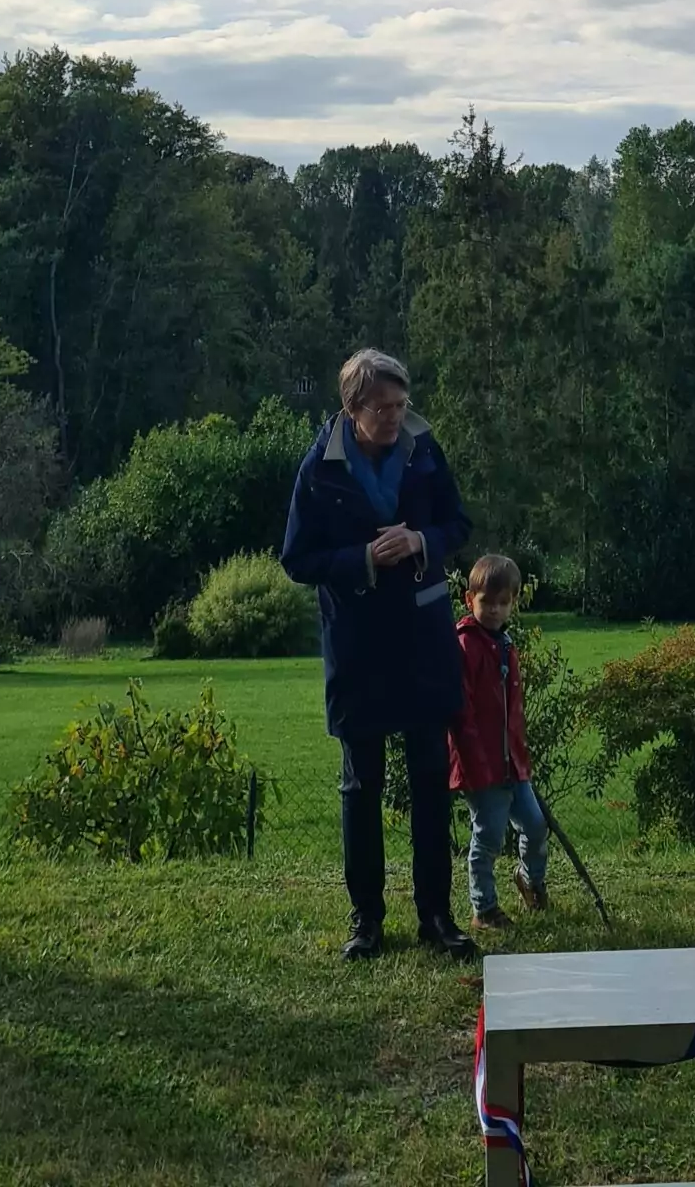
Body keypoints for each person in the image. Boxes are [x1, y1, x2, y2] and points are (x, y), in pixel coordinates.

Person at [281, 347, 476, 961]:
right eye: (382, 406)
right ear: (352, 407)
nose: (395, 416)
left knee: (430, 780)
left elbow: (458, 524)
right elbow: (297, 559)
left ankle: (437, 917)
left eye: (400, 403)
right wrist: (363, 558)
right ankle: (366, 922)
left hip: (422, 638)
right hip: (358, 644)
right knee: (361, 785)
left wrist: (420, 540)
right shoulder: (320, 468)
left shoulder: (424, 449)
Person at [447, 552, 549, 930]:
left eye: (503, 602)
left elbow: (513, 712)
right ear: (469, 599)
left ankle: (531, 880)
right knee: (488, 837)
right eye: (486, 601)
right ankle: (484, 907)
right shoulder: (465, 646)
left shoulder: (505, 644)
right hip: (482, 766)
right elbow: (462, 713)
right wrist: (477, 764)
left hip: (512, 765)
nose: (494, 609)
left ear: (513, 603)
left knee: (535, 825)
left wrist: (520, 756)